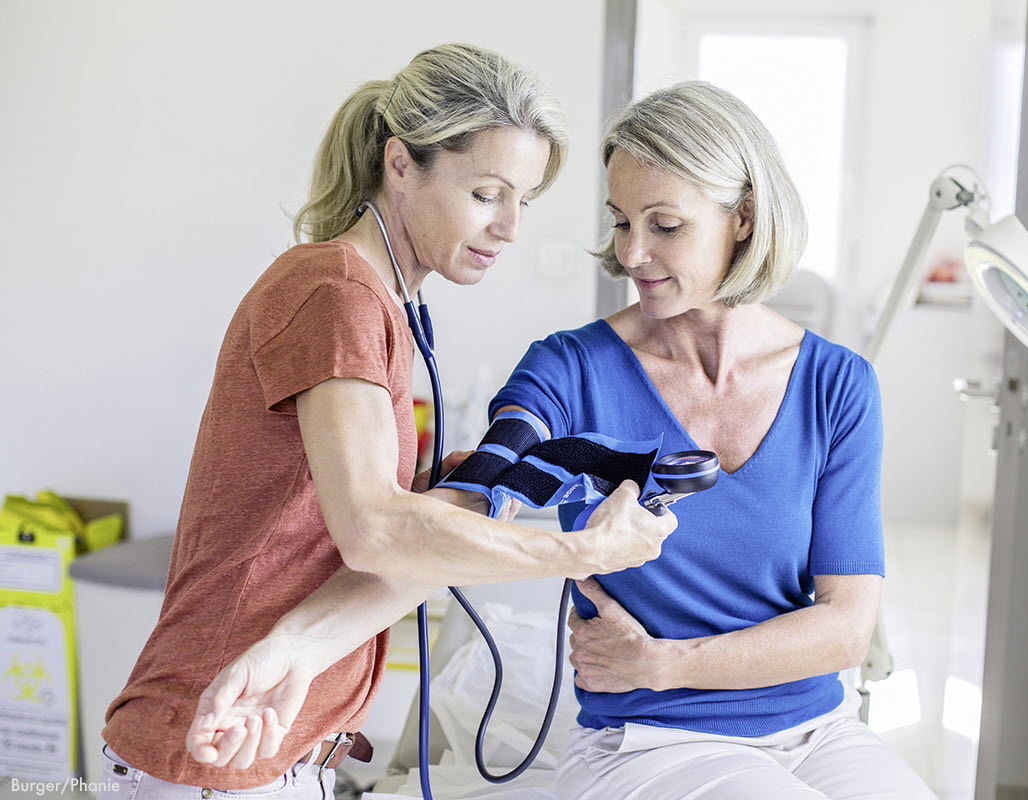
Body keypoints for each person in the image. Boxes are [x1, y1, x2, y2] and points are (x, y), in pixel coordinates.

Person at [185, 81, 935, 799]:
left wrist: (665, 662)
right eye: (619, 221)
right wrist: (297, 648)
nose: (631, 254)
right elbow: (453, 522)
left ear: (742, 217)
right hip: (653, 741)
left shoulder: (838, 386)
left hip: (822, 731)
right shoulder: (571, 370)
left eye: (665, 225)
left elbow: (845, 629)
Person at [97, 43, 675, 800]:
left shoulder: (377, 303)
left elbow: (381, 515)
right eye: (487, 194)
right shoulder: (336, 294)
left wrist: (531, 467)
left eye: (524, 202)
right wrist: (580, 551)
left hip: (267, 747)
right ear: (401, 164)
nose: (510, 228)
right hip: (218, 747)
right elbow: (374, 530)